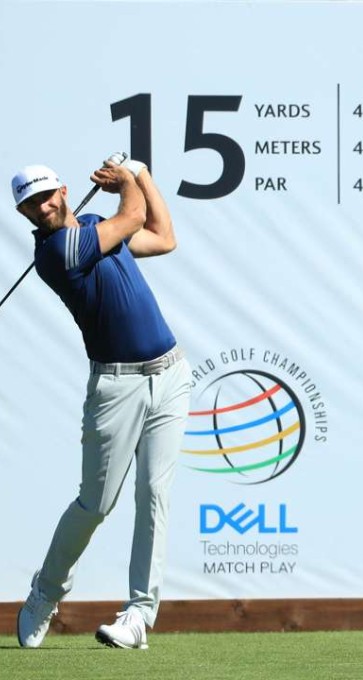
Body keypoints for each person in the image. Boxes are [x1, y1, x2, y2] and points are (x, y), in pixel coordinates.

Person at [11, 155, 191, 650]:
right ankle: (46, 591)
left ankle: (138, 616)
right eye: (30, 203)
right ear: (24, 214)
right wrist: (128, 179)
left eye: (46, 195)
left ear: (63, 191)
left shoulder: (94, 226)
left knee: (154, 494)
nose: (41, 206)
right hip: (117, 387)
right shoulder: (57, 251)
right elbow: (132, 216)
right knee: (95, 504)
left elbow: (162, 236)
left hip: (171, 374)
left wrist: (144, 177)